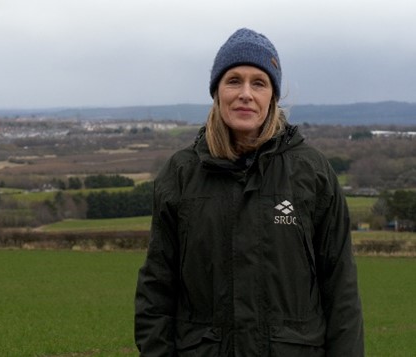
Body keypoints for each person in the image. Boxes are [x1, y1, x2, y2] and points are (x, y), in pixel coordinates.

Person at [134, 28, 364, 356]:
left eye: (259, 82)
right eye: (233, 81)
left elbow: (341, 289)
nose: (245, 93)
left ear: (273, 95)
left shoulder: (312, 174)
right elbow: (156, 290)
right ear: (217, 92)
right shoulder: (181, 174)